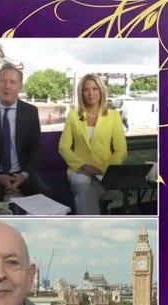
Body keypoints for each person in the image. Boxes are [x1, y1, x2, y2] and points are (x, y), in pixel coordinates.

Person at [0, 62, 53, 209]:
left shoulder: (30, 111)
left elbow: (36, 148)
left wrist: (24, 175)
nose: (7, 86)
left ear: (20, 86)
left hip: (22, 174)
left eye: (12, 82)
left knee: (48, 200)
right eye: (3, 81)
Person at [58, 74, 128, 215]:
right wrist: (82, 166)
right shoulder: (73, 116)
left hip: (103, 172)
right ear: (81, 93)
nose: (90, 93)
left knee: (84, 194)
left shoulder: (114, 116)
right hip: (78, 171)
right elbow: (63, 147)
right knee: (83, 182)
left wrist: (101, 169)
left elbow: (121, 151)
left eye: (95, 89)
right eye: (86, 90)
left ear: (101, 91)